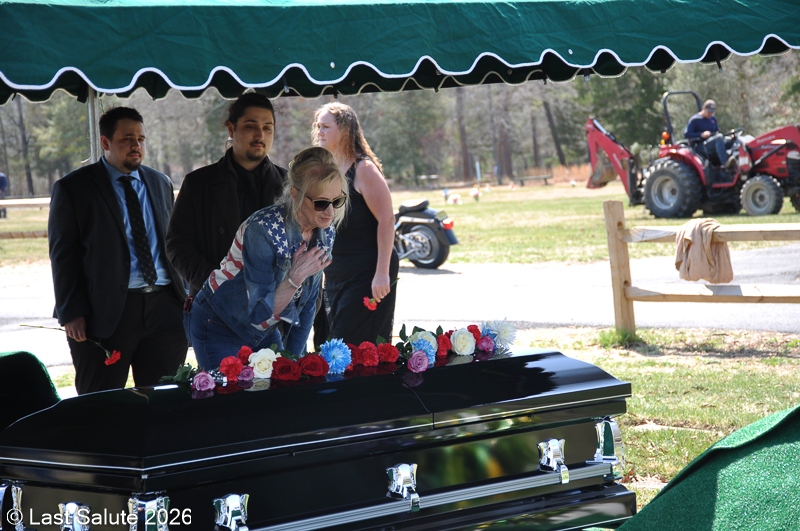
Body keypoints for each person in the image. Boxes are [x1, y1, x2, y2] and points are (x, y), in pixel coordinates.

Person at [48, 107, 187, 395]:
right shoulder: (74, 188)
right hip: (105, 313)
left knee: (164, 400)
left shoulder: (160, 182)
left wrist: (185, 295)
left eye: (141, 139)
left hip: (165, 309)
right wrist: (71, 311)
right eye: (127, 139)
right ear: (105, 142)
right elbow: (63, 255)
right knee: (100, 402)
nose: (136, 146)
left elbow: (174, 242)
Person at [188, 147, 347, 368]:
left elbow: (308, 303)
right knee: (229, 390)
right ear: (295, 194)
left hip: (264, 329)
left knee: (283, 382)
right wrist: (295, 277)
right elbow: (260, 313)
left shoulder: (325, 230)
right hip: (219, 322)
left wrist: (295, 361)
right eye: (321, 203)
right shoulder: (262, 229)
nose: (330, 212)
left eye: (337, 201)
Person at [166, 93, 287, 299]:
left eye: (267, 127)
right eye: (250, 126)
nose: (260, 135)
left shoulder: (290, 185)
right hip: (214, 304)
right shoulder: (198, 183)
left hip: (274, 305)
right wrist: (216, 284)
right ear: (231, 129)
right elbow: (177, 245)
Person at [312, 102, 399, 345]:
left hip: (368, 273)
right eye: (318, 126)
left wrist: (381, 274)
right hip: (336, 272)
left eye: (326, 127)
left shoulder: (363, 169)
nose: (319, 131)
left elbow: (387, 220)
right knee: (331, 344)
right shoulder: (327, 170)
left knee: (355, 345)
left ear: (344, 130)